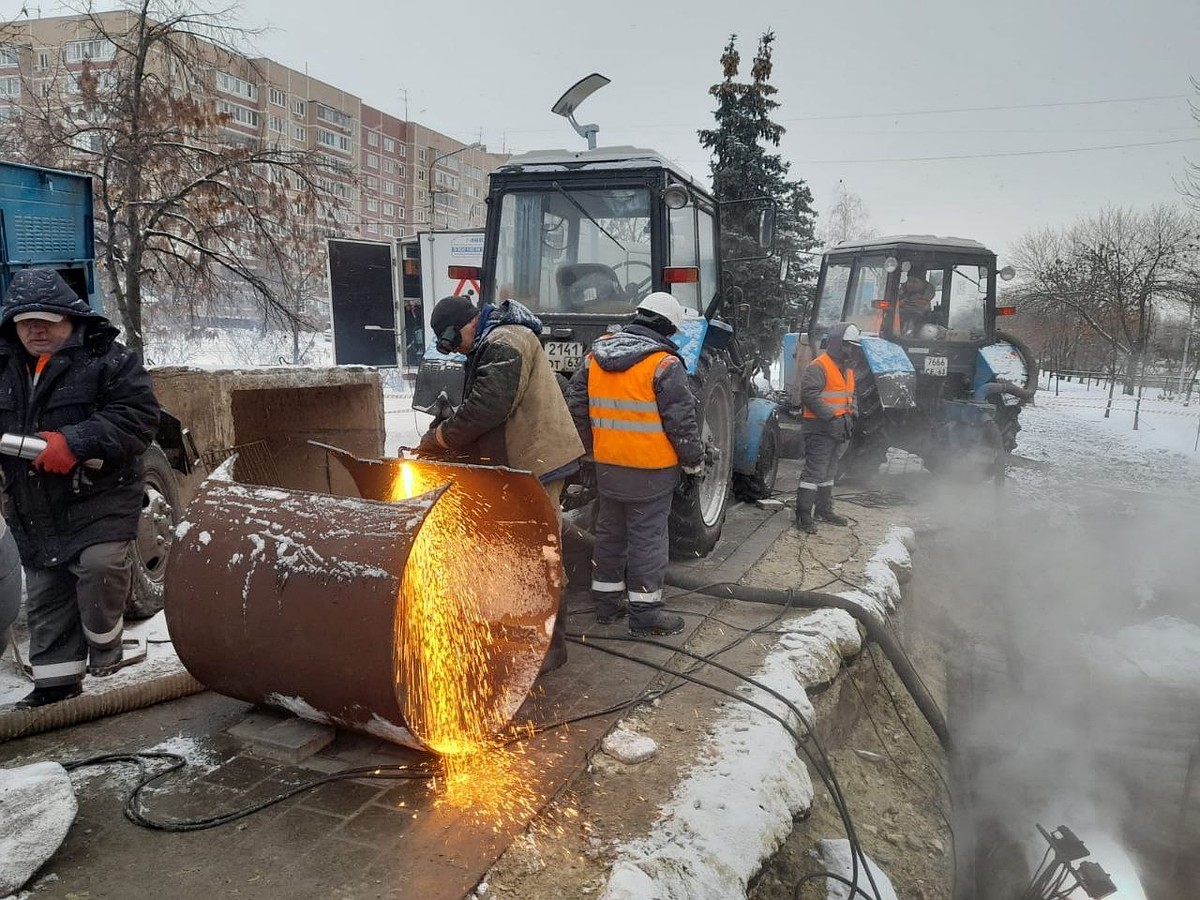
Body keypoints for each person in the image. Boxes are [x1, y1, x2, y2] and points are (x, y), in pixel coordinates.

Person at [0, 268, 160, 708]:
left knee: (98, 565)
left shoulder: (108, 360)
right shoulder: (4, 365)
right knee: (47, 591)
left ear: (70, 318)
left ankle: (106, 646)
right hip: (36, 502)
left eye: (46, 320)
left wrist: (74, 442)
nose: (35, 329)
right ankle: (55, 686)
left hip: (99, 493)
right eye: (25, 320)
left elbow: (139, 418)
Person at [419, 294, 584, 673]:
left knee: (540, 549)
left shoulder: (506, 341)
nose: (458, 351)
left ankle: (551, 647)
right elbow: (478, 401)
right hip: (522, 460)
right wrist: (445, 425)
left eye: (455, 341)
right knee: (520, 547)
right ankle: (524, 628)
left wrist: (441, 440)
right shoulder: (492, 341)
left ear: (466, 324)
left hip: (538, 458)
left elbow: (488, 407)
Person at [565, 292, 704, 637]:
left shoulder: (595, 356)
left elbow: (576, 408)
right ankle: (645, 616)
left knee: (609, 535)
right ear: (668, 327)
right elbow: (682, 423)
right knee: (647, 541)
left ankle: (607, 605)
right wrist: (694, 462)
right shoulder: (664, 364)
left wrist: (587, 454)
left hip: (608, 468)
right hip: (651, 472)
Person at [796, 323, 861, 534]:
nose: (850, 350)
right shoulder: (819, 366)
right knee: (815, 471)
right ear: (836, 343)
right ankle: (803, 515)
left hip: (837, 428)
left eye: (852, 346)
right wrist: (832, 417)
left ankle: (823, 509)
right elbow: (809, 395)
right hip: (820, 428)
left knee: (829, 471)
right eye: (846, 345)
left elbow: (850, 396)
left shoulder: (847, 369)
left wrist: (852, 414)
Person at [897, 272, 936, 337]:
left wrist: (903, 303)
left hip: (919, 335)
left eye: (915, 282)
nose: (911, 284)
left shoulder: (925, 297)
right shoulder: (899, 292)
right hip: (894, 333)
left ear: (923, 284)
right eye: (909, 281)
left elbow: (918, 306)